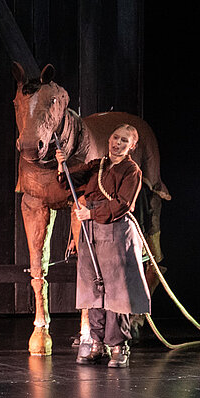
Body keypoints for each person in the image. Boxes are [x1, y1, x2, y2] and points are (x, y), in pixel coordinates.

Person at [65, 124, 150, 367]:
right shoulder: (98, 165)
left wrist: (92, 214)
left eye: (124, 140)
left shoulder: (131, 171)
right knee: (94, 288)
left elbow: (123, 204)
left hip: (114, 229)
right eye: (115, 137)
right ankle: (97, 342)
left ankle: (118, 346)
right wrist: (62, 164)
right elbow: (69, 181)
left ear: (132, 146)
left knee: (116, 291)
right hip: (91, 230)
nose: (117, 143)